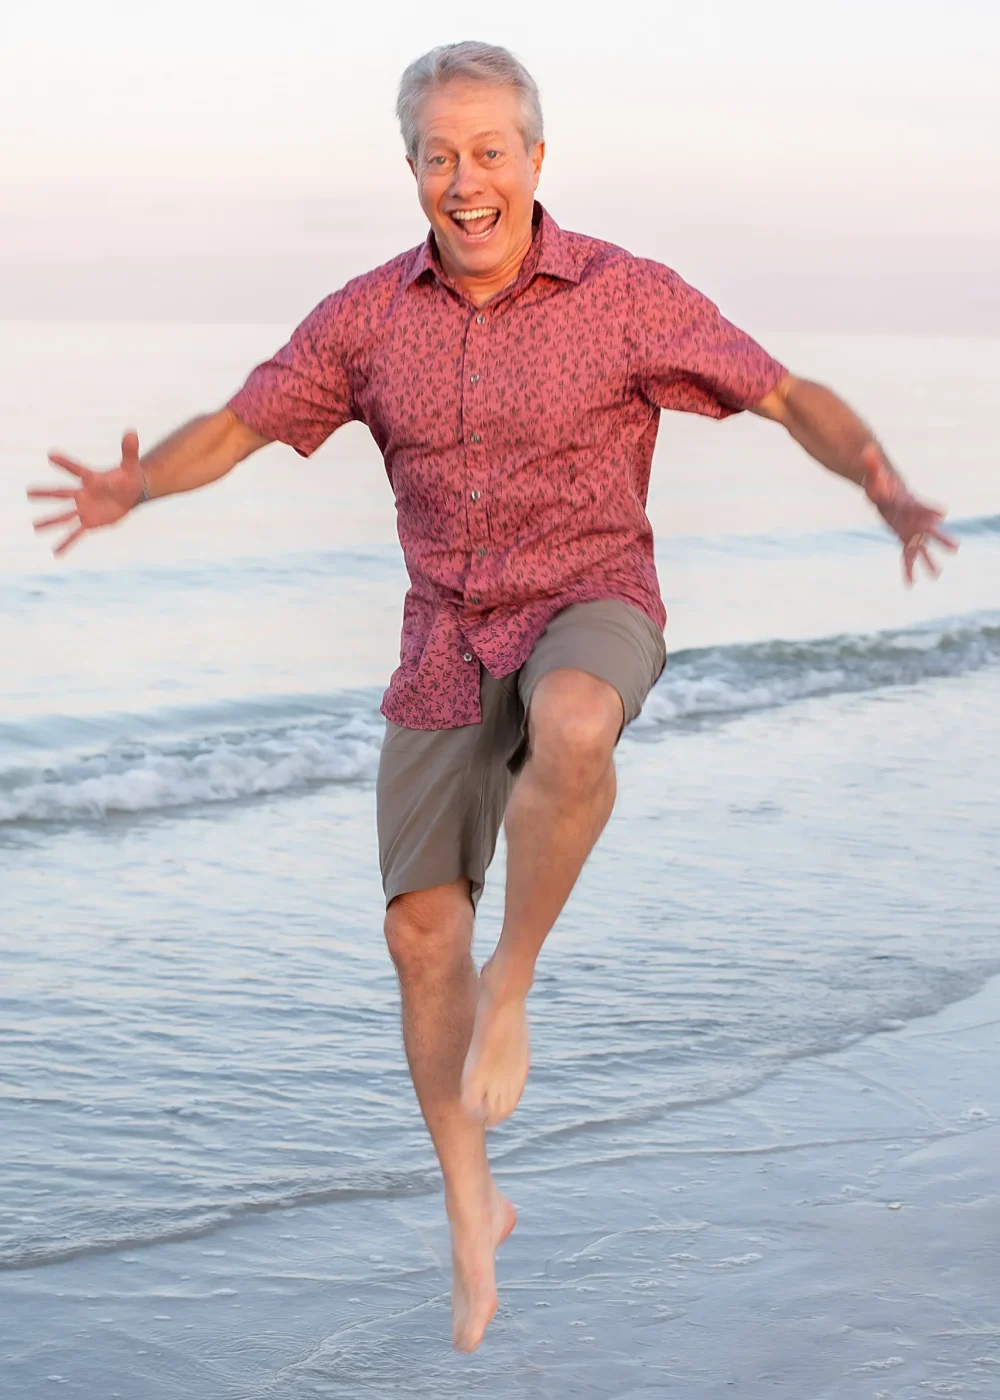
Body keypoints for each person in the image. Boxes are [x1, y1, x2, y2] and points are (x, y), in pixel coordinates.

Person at [28, 40, 957, 1354]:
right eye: (438, 155)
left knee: (575, 724)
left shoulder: (625, 295)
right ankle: (473, 1202)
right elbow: (238, 424)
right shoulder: (365, 320)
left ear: (535, 159)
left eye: (488, 152)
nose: (466, 181)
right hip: (442, 640)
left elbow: (783, 394)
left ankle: (514, 983)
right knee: (416, 935)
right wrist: (138, 489)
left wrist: (879, 481)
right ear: (410, 167)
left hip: (591, 600)